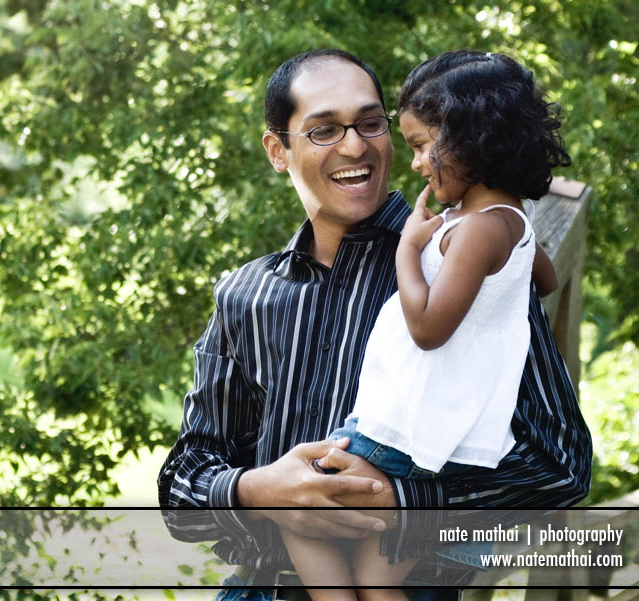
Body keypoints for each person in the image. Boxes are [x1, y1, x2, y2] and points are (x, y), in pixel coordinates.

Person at [157, 48, 592, 600]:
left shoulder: (459, 267)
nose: (356, 145)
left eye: (370, 123)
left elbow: (561, 468)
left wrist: (408, 503)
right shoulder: (246, 294)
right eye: (323, 130)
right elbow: (180, 497)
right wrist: (260, 489)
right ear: (277, 150)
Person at [278, 50, 569, 601]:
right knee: (377, 576)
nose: (414, 164)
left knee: (298, 510)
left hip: (408, 430)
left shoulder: (481, 230)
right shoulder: (500, 222)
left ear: (473, 143)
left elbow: (429, 328)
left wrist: (408, 252)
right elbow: (544, 277)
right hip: (426, 428)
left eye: (419, 145)